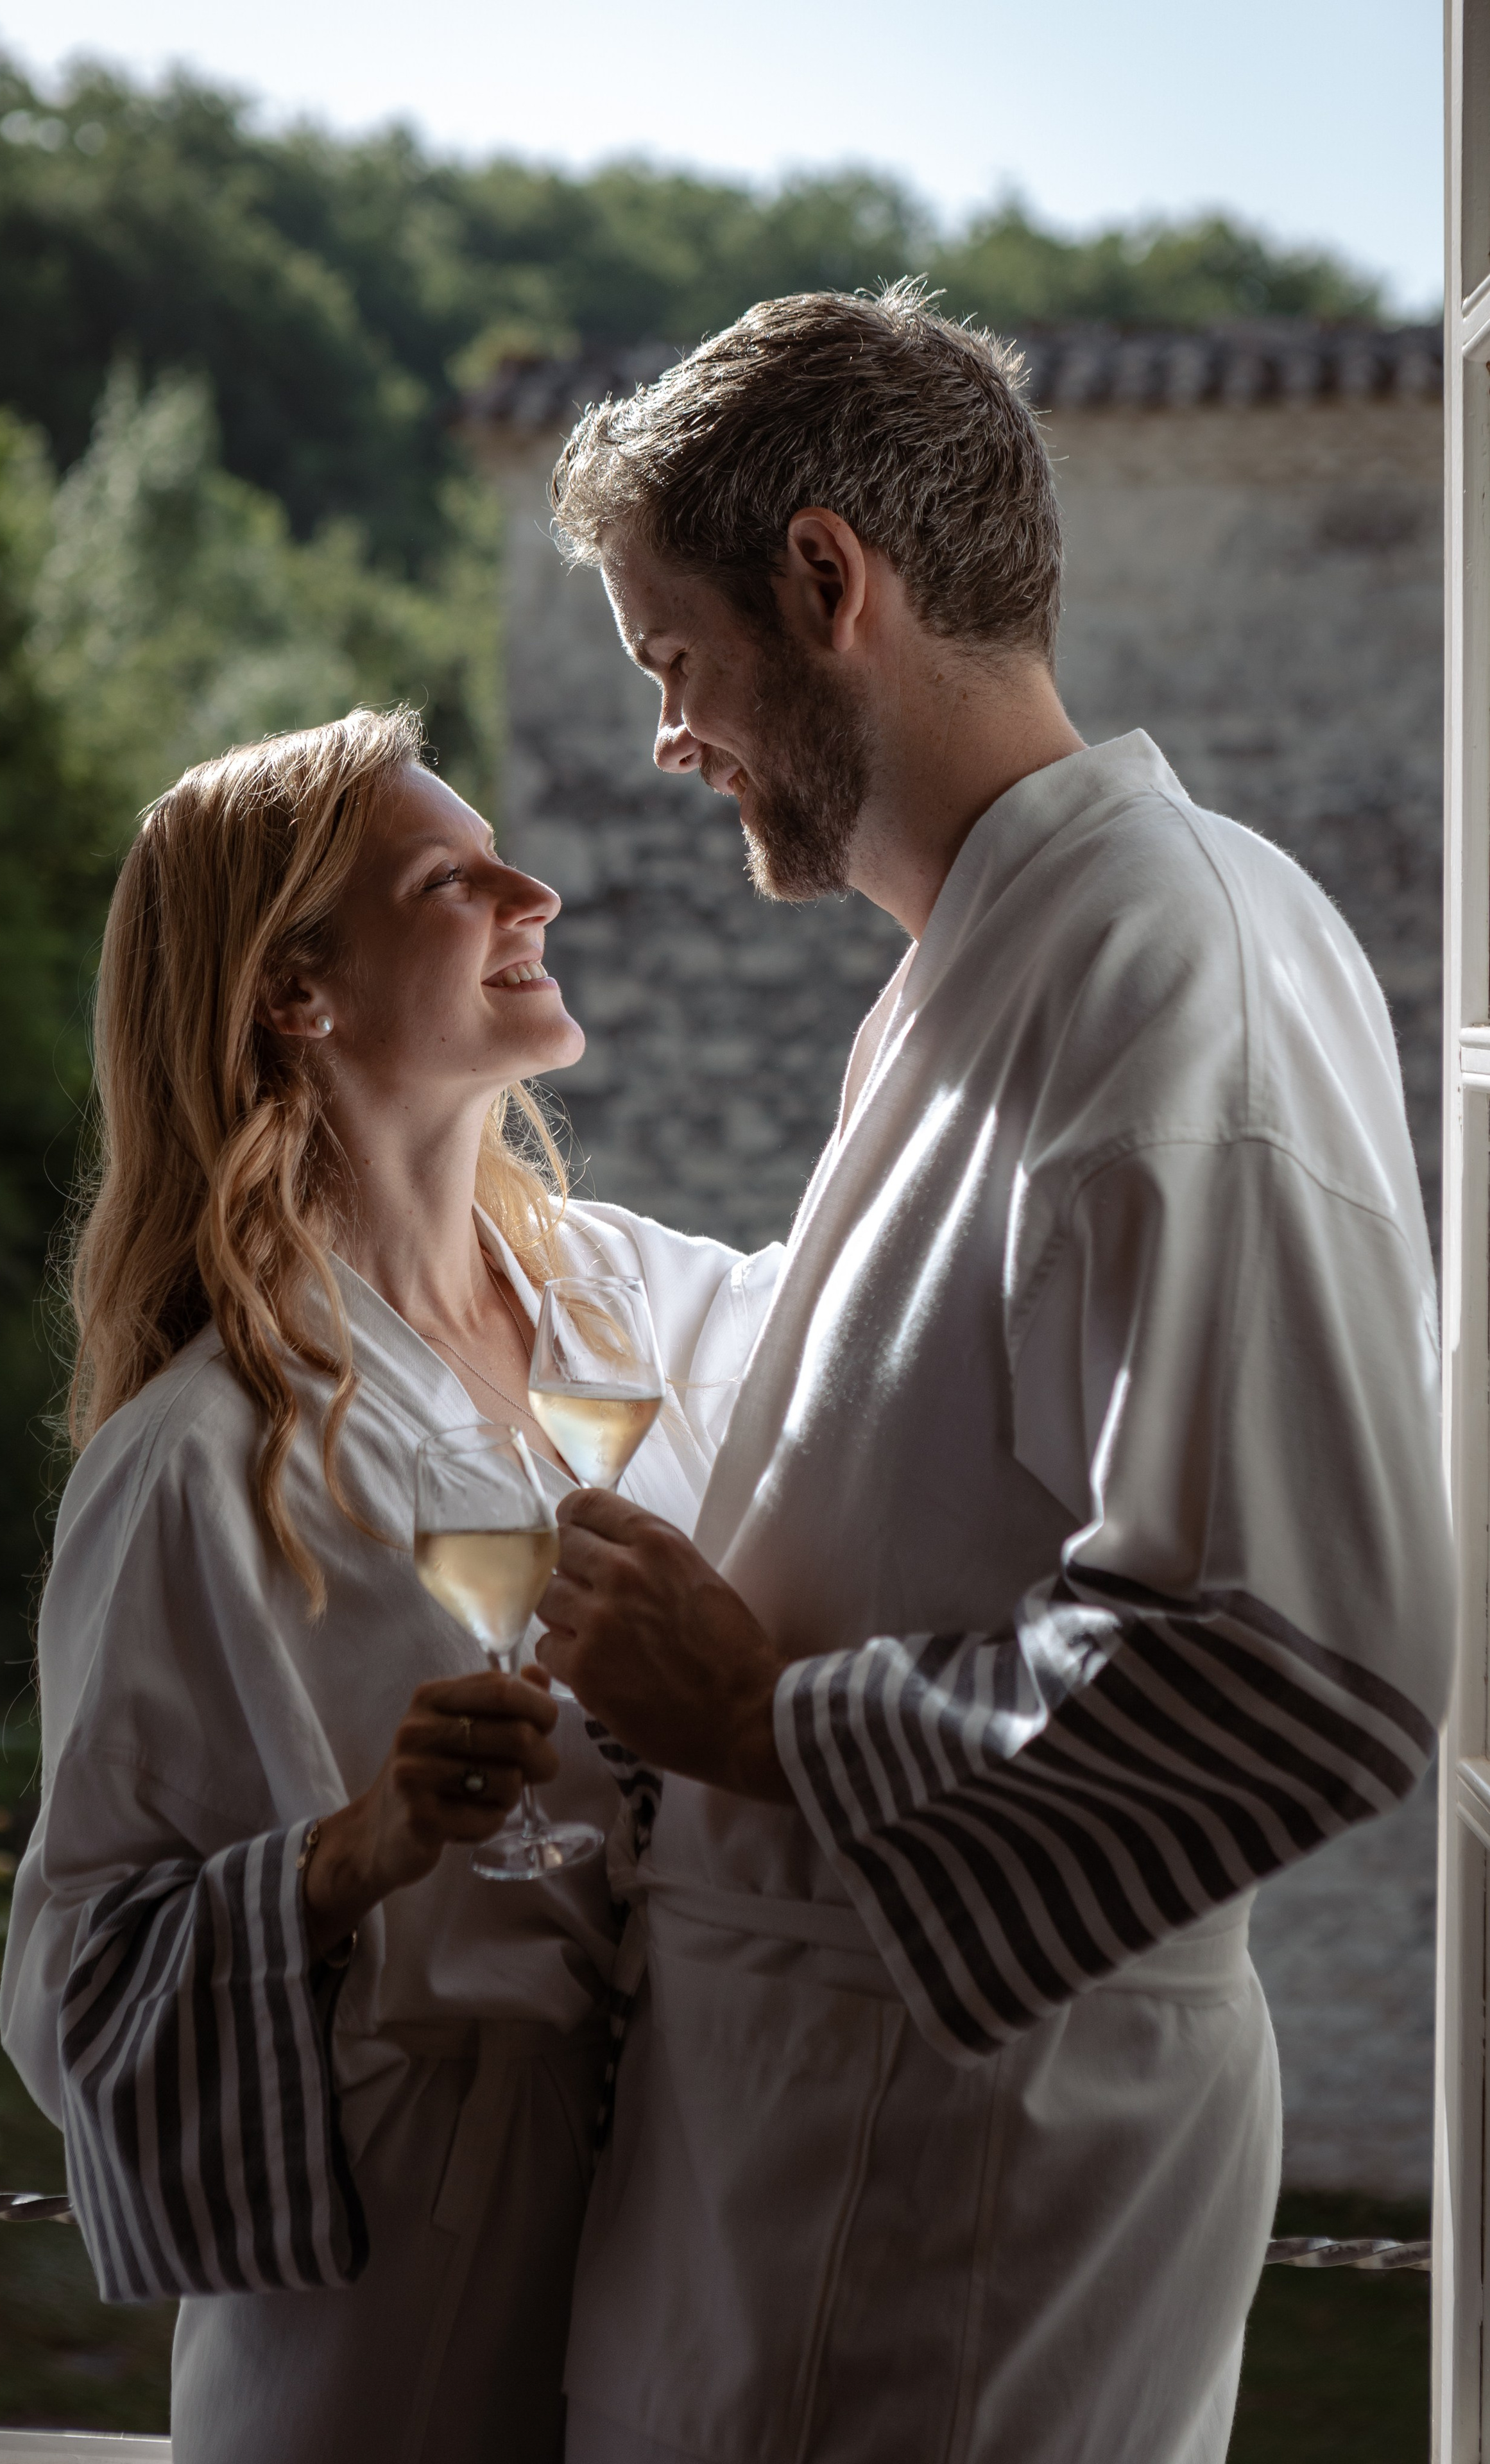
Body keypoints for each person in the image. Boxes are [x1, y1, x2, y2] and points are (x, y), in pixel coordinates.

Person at [535, 284, 1457, 2463]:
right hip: (832, 2179)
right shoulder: (989, 965)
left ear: (827, 582)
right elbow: (886, 1402)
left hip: (952, 2222)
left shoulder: (1162, 968)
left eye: (674, 659)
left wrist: (747, 1717)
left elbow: (1302, 1669)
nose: (671, 738)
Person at [0, 706, 778, 2464]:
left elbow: (897, 1309)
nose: (539, 890)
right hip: (409, 2258)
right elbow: (71, 1994)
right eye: (453, 878)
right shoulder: (203, 1466)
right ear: (300, 994)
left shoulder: (619, 1310)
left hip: (693, 2194)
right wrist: (360, 1851)